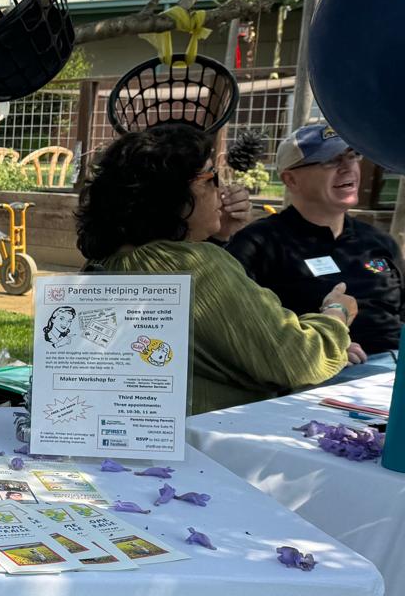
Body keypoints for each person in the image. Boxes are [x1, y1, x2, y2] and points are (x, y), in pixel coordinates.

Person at [77, 123, 354, 415]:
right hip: (208, 444)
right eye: (212, 177)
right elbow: (296, 359)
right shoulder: (197, 265)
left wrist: (217, 236)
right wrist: (335, 315)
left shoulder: (105, 261)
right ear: (172, 194)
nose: (223, 190)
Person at [226, 124, 402, 366]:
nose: (347, 166)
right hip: (328, 374)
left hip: (395, 366)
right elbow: (239, 328)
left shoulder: (377, 241)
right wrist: (321, 348)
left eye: (353, 155)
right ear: (291, 179)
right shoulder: (259, 243)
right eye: (331, 160)